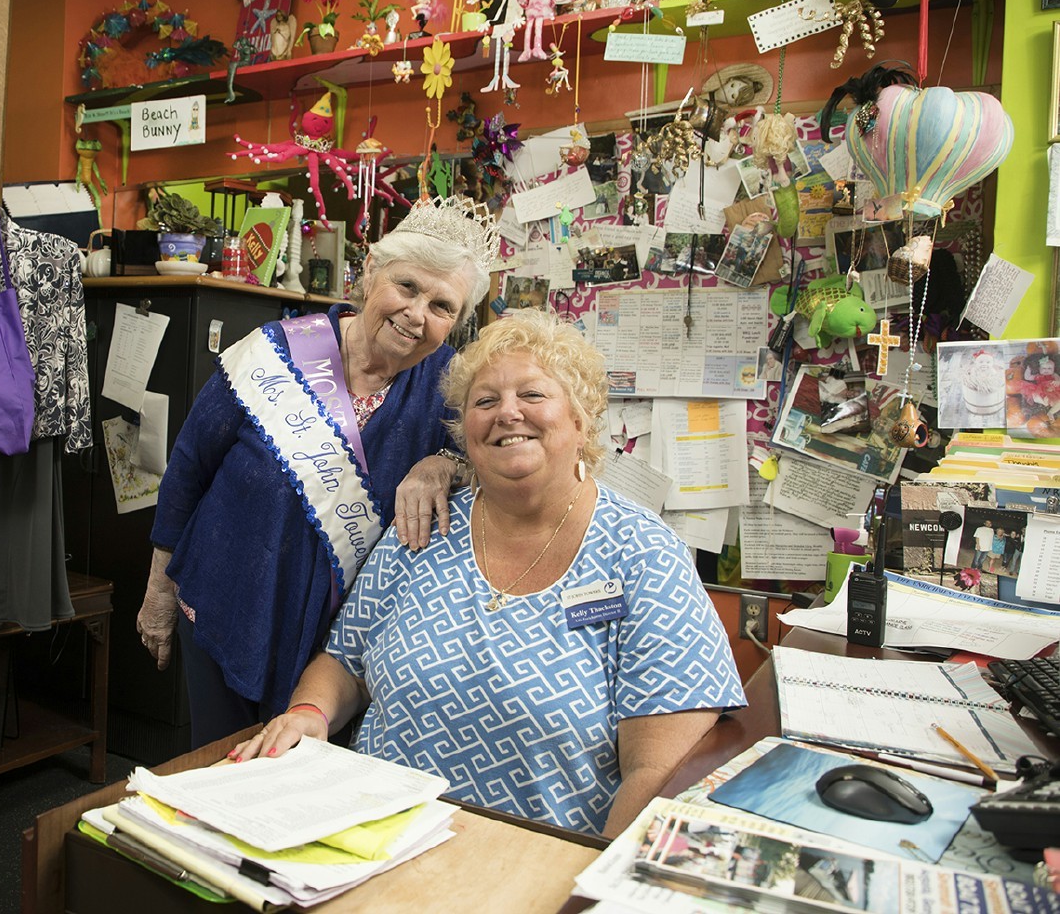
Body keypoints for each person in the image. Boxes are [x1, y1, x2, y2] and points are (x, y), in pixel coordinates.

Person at [232, 309, 746, 836]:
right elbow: (344, 662)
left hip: (534, 873)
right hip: (371, 840)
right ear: (464, 430)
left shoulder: (644, 554)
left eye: (533, 395)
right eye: (485, 401)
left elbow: (659, 773)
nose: (507, 413)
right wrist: (309, 715)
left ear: (581, 418)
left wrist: (588, 890)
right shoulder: (425, 525)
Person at [139, 196, 498, 748]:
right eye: (407, 287)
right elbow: (189, 467)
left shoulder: (453, 387)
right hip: (226, 601)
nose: (417, 314)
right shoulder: (274, 351)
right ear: (372, 271)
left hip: (341, 652)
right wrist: (158, 592)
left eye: (442, 306)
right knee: (222, 773)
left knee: (302, 795)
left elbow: (498, 463)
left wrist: (444, 464)